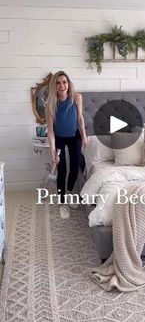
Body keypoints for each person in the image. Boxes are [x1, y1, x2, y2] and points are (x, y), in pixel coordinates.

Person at [46, 71, 88, 219]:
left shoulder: (77, 98)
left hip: (73, 136)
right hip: (58, 138)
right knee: (62, 171)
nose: (62, 85)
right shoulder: (51, 105)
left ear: (68, 83)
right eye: (58, 83)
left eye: (64, 82)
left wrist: (83, 136)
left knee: (75, 167)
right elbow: (50, 132)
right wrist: (52, 152)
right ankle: (62, 202)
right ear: (54, 86)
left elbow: (80, 118)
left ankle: (70, 192)